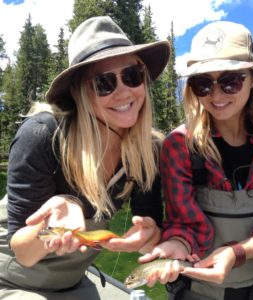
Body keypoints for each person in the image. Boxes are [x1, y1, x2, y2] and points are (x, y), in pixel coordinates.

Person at [0, 16, 170, 299]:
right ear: (80, 93)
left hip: (73, 282)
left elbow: (149, 235)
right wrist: (49, 227)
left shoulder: (147, 150)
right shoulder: (42, 135)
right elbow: (24, 253)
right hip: (12, 280)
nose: (124, 91)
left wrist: (148, 236)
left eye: (132, 75)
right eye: (104, 83)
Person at [139, 21, 253, 300]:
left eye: (230, 81)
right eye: (203, 84)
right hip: (195, 292)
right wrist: (175, 244)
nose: (216, 95)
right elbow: (183, 223)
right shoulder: (179, 146)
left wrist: (236, 253)